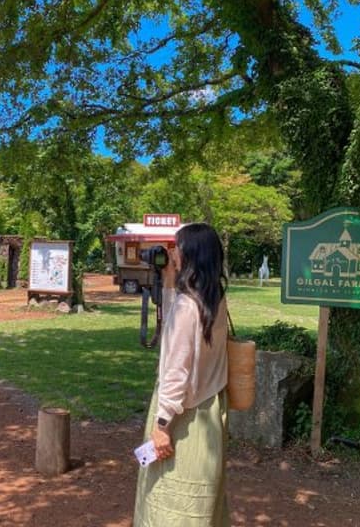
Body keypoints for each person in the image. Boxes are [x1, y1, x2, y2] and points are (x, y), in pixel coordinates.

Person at [134, 223, 229, 527]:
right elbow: (179, 322)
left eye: (177, 247)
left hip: (181, 416)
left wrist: (162, 425)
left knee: (170, 500)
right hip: (209, 412)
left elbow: (176, 372)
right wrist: (168, 281)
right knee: (203, 499)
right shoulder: (214, 299)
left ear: (191, 254)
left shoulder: (187, 307)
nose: (172, 253)